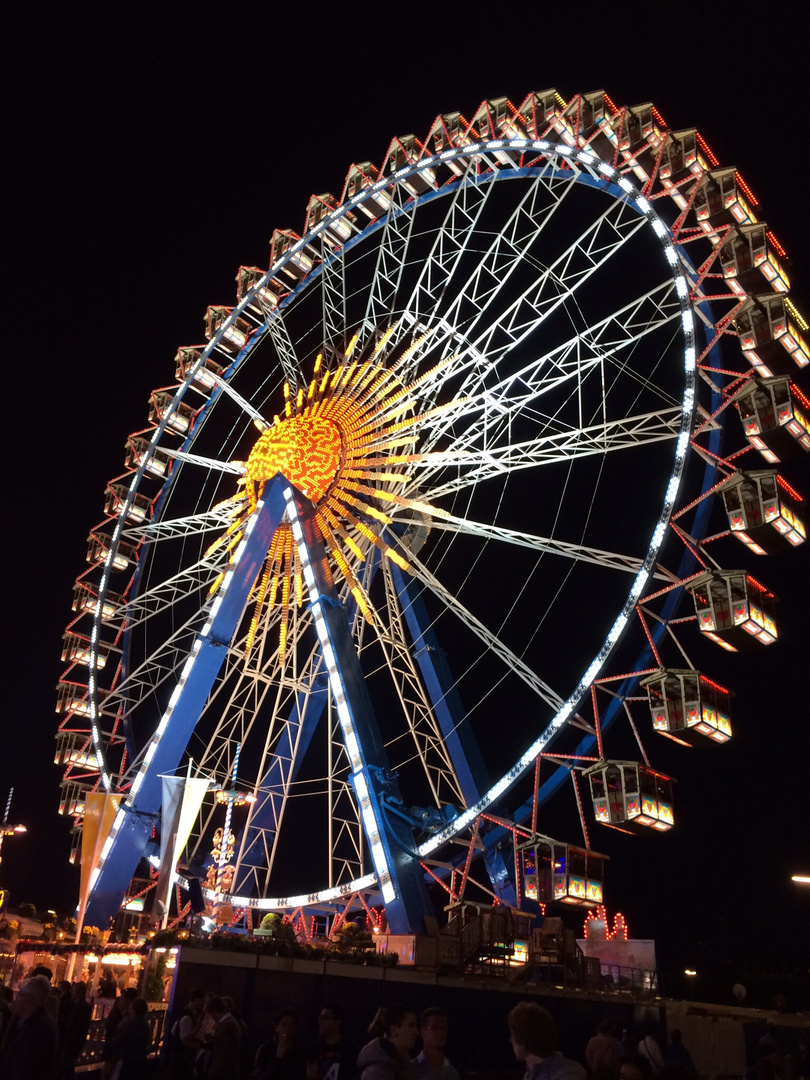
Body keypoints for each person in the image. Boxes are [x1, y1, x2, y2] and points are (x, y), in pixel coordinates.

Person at [0, 974, 60, 1080]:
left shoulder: (38, 1028)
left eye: (20, 994)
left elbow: (24, 1066)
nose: (16, 998)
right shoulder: (23, 1020)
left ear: (29, 998)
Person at [507, 1002, 586, 1080]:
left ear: (523, 1039)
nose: (511, 1040)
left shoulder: (568, 1074)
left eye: (513, 1035)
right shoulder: (529, 1075)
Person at [357, 1006, 419, 1080]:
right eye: (411, 1026)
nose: (417, 1032)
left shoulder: (401, 1066)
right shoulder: (379, 1071)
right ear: (393, 1030)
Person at [307, 1002, 358, 1080]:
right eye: (320, 1018)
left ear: (337, 1022)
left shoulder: (350, 1050)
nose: (320, 1022)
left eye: (326, 1018)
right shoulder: (314, 1049)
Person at [104, 996, 151, 1080]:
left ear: (134, 1010)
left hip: (127, 1061)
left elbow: (119, 1040)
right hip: (140, 1061)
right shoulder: (145, 1025)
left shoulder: (131, 1025)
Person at [254, 1007, 307, 1080]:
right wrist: (278, 1058)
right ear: (277, 1028)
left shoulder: (301, 1050)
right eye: (284, 1025)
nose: (287, 1029)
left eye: (291, 1025)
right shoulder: (266, 1049)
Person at [57, 980, 93, 1080]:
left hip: (72, 1041)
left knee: (65, 1065)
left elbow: (79, 1026)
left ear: (80, 992)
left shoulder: (83, 1007)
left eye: (74, 991)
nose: (72, 992)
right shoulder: (73, 1005)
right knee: (67, 1066)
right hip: (69, 1040)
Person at [168, 987, 206, 1079]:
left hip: (178, 1057)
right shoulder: (187, 1018)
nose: (203, 1004)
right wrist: (201, 1045)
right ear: (196, 1000)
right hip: (181, 1058)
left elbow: (174, 1031)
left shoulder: (186, 1014)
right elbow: (185, 1040)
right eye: (202, 1001)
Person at [202, 995, 243, 1080]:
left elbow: (225, 1054)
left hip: (224, 1074)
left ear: (213, 1012)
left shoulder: (227, 1026)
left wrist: (214, 1072)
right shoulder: (228, 1023)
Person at [413, 1008, 459, 1080]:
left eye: (443, 1028)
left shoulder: (452, 1072)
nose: (441, 1033)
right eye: (435, 1028)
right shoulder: (412, 1070)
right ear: (423, 1031)